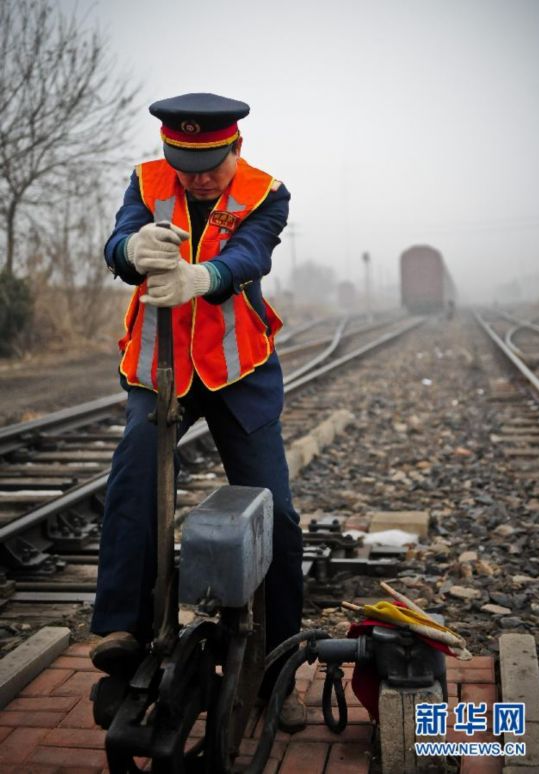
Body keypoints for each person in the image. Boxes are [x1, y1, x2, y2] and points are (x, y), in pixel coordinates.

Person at [89, 93, 306, 730]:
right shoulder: (146, 180)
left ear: (235, 148)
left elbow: (250, 257)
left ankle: (276, 668)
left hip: (237, 372)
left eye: (210, 161)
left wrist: (201, 277)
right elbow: (117, 242)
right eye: (184, 161)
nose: (197, 175)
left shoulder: (268, 192)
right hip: (158, 370)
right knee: (134, 478)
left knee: (279, 512)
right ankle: (124, 633)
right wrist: (133, 252)